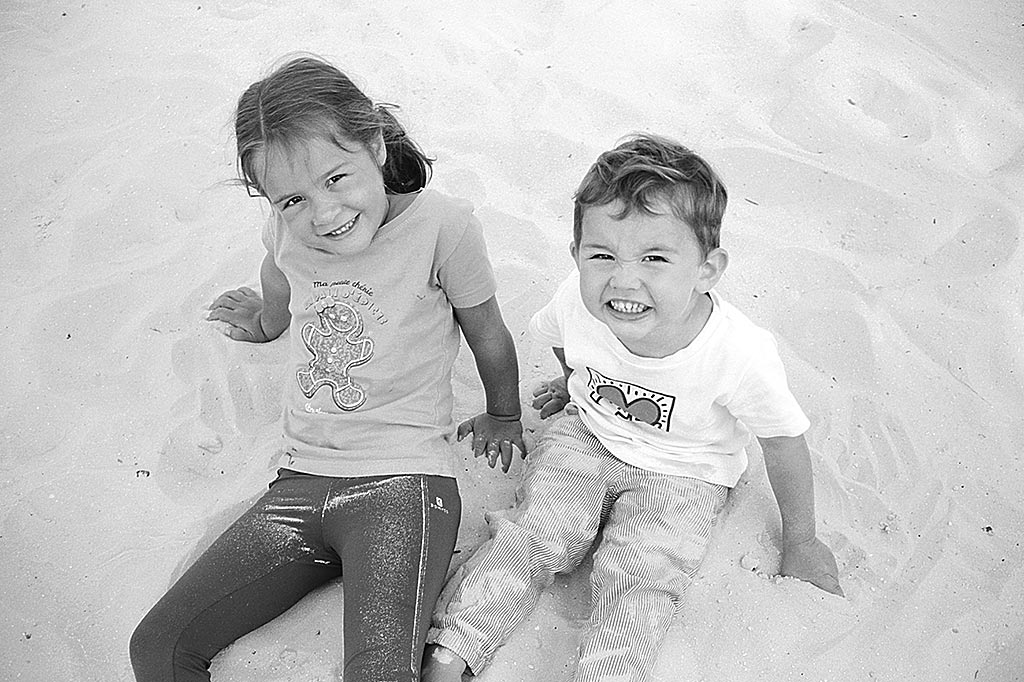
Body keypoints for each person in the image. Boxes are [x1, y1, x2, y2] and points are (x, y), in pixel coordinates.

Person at [128, 55, 526, 682]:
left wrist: (504, 413)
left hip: (404, 485)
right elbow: (279, 276)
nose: (322, 213)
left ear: (373, 143)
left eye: (337, 178)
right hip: (300, 484)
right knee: (157, 646)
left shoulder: (443, 227)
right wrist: (266, 320)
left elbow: (489, 333)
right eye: (292, 198)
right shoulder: (285, 234)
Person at [422, 134, 843, 682]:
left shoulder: (738, 352)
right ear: (576, 256)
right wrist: (574, 380)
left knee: (640, 576)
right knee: (533, 533)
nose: (624, 279)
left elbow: (783, 441)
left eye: (654, 258)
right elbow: (559, 337)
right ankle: (455, 650)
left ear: (707, 270)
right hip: (588, 435)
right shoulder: (577, 298)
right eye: (602, 255)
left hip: (685, 470)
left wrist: (802, 539)